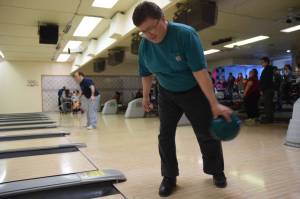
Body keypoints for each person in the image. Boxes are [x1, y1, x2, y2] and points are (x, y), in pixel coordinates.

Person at [132, 2, 232, 197]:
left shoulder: (185, 35)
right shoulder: (145, 45)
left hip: (193, 90)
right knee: (165, 135)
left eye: (152, 28)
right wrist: (145, 96)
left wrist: (214, 104)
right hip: (166, 92)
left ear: (163, 19)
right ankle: (169, 176)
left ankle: (216, 171)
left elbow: (201, 73)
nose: (149, 35)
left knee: (205, 132)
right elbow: (146, 73)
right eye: (144, 32)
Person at [259, 57, 275, 123]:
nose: (261, 63)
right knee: (269, 105)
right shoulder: (269, 69)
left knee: (267, 105)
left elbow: (266, 81)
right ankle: (270, 118)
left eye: (262, 62)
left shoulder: (267, 69)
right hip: (269, 89)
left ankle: (268, 119)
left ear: (266, 62)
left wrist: (262, 89)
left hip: (267, 89)